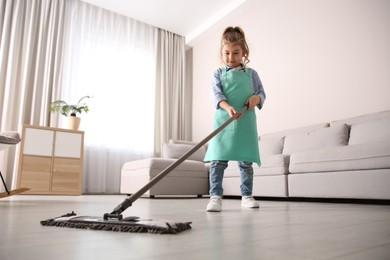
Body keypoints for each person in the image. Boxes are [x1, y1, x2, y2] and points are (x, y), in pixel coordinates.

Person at [204, 26, 266, 212]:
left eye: (236, 53)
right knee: (217, 161)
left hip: (245, 122)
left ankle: (246, 196)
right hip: (223, 122)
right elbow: (217, 95)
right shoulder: (218, 74)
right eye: (227, 53)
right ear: (221, 53)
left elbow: (261, 94)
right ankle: (215, 197)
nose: (231, 57)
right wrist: (228, 107)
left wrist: (256, 99)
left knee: (245, 162)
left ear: (244, 52)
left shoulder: (252, 74)